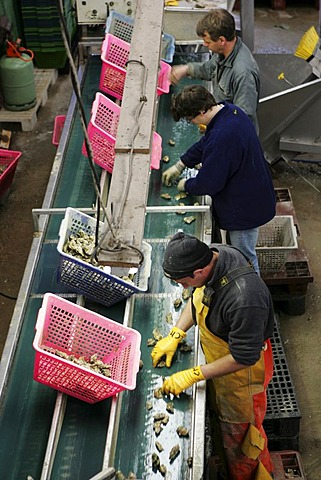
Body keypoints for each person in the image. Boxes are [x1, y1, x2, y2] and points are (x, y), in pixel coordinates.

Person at [151, 232, 275, 480]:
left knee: (242, 440)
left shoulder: (245, 299)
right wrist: (176, 333)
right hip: (223, 356)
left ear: (198, 272)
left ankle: (251, 476)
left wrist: (193, 374)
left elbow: (244, 357)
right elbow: (198, 298)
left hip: (243, 376)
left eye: (182, 282)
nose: (182, 288)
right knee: (224, 431)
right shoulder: (215, 255)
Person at [162, 84, 275, 274]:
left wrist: (186, 185)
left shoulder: (224, 136)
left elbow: (210, 183)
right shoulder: (230, 111)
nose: (192, 123)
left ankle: (253, 294)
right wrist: (182, 163)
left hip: (245, 209)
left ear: (201, 111)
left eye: (191, 119)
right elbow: (207, 142)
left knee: (244, 257)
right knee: (241, 250)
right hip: (254, 190)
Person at [169, 8, 260, 133]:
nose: (205, 45)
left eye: (208, 42)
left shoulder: (243, 73)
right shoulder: (223, 52)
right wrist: (186, 69)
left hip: (235, 137)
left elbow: (242, 118)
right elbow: (209, 69)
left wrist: (215, 127)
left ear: (222, 40)